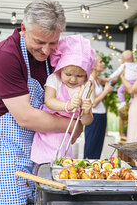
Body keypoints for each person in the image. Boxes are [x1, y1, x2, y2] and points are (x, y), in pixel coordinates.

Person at [0, 0, 83, 205]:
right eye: (39, 42)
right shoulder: (5, 56)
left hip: (37, 146)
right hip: (3, 148)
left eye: (53, 43)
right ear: (23, 28)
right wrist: (71, 125)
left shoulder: (53, 57)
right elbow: (25, 117)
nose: (46, 50)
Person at [30, 35, 94, 164]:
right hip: (48, 129)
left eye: (80, 76)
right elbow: (49, 101)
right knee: (45, 162)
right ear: (60, 68)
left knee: (62, 163)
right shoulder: (55, 80)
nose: (73, 79)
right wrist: (68, 105)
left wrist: (87, 112)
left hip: (66, 137)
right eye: (68, 74)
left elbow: (86, 122)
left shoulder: (85, 89)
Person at [84, 54, 113, 159]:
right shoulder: (91, 81)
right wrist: (105, 91)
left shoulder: (97, 79)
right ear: (94, 65)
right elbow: (93, 103)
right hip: (94, 118)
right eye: (100, 61)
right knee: (91, 148)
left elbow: (111, 79)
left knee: (97, 148)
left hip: (101, 116)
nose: (103, 63)